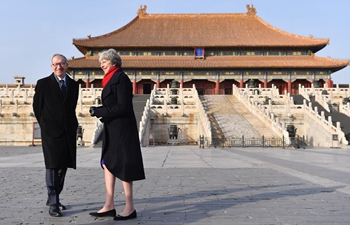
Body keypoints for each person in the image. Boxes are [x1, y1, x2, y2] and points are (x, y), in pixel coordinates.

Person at [89, 49, 145, 221]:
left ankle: (129, 207)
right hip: (111, 128)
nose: (101, 65)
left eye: (103, 62)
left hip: (122, 130)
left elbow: (123, 107)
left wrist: (100, 111)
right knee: (108, 164)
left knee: (124, 165)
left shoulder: (121, 79)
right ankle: (109, 205)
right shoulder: (109, 79)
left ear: (113, 62)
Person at [33, 54, 79, 217]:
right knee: (52, 166)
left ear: (67, 66)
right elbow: (37, 108)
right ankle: (53, 203)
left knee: (63, 166)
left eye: (62, 64)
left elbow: (71, 107)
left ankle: (54, 195)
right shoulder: (43, 84)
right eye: (55, 64)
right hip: (51, 132)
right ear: (51, 66)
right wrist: (46, 126)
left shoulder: (73, 85)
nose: (58, 67)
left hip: (67, 131)